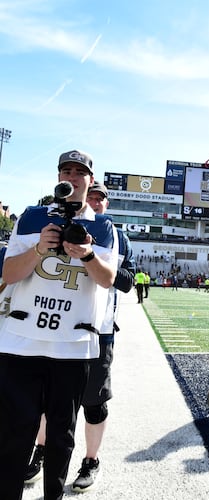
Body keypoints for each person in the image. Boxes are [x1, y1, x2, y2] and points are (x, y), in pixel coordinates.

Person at [0, 150, 118, 500]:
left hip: (72, 344)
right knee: (13, 433)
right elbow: (8, 274)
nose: (73, 176)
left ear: (90, 180)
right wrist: (39, 249)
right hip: (21, 341)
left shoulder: (101, 225)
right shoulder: (33, 216)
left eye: (80, 171)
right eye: (66, 170)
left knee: (61, 437)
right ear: (58, 177)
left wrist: (88, 255)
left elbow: (108, 280)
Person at [24, 181, 136, 491]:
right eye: (92, 197)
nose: (96, 203)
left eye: (101, 199)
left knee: (93, 402)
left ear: (106, 204)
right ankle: (43, 452)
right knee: (50, 400)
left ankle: (91, 459)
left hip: (99, 330)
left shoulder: (118, 237)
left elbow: (127, 281)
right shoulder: (57, 226)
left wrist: (93, 257)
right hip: (59, 326)